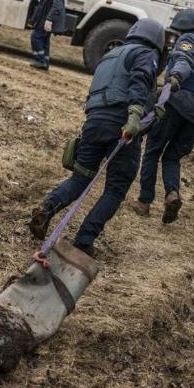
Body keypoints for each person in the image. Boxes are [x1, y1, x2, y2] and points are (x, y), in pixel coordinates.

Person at [29, 18, 165, 256]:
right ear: (158, 41)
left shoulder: (111, 56)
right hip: (121, 125)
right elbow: (139, 82)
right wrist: (136, 114)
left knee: (80, 178)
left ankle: (47, 207)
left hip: (93, 122)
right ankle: (84, 240)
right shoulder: (146, 54)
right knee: (116, 188)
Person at [129, 8, 194, 224]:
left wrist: (175, 77)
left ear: (184, 29)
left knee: (153, 150)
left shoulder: (189, 39)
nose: (175, 37)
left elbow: (184, 59)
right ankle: (172, 194)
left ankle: (144, 202)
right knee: (172, 157)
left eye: (177, 32)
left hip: (179, 101)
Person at [28, 0, 67, 70]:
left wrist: (49, 20)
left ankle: (40, 61)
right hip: (43, 19)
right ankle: (45, 62)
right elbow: (41, 6)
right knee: (44, 40)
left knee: (35, 37)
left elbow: (57, 7)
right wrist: (33, 20)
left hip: (46, 20)